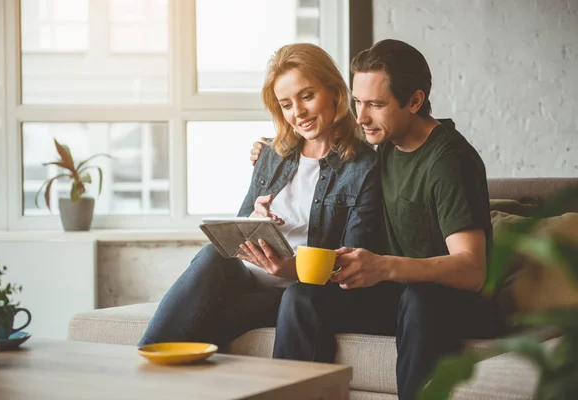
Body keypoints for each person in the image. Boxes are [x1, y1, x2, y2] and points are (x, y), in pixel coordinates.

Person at [250, 39, 505, 400]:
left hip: (451, 301)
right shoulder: (384, 143)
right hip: (396, 294)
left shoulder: (450, 160)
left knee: (419, 299)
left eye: (375, 104)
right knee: (301, 297)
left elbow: (472, 269)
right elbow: (329, 142)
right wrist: (272, 153)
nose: (361, 116)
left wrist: (385, 267)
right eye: (357, 101)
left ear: (415, 101)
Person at [138, 43, 385, 350]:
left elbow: (352, 260)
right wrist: (255, 219)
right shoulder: (271, 154)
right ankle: (144, 357)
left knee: (208, 322)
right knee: (211, 255)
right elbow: (236, 233)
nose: (298, 113)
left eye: (307, 96)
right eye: (286, 104)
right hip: (250, 278)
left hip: (298, 290)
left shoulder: (364, 167)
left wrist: (290, 268)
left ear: (335, 93)